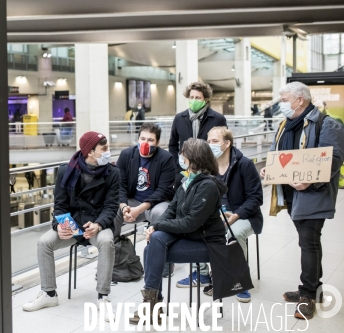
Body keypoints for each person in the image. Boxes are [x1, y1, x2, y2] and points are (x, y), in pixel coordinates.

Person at [260, 81, 344, 320]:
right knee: (307, 241)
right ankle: (313, 288)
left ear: (300, 100)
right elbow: (281, 155)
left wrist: (310, 181)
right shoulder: (285, 125)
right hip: (290, 193)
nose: (281, 104)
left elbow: (334, 159)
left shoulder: (327, 124)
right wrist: (271, 169)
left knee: (308, 242)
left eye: (284, 99)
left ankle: (308, 294)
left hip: (313, 195)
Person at [129, 138, 227, 325]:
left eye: (183, 153)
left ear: (193, 158)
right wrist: (154, 226)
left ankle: (152, 306)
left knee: (153, 247)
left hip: (207, 244)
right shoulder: (186, 180)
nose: (180, 156)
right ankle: (153, 305)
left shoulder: (208, 186)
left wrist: (157, 226)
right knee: (154, 242)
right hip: (188, 236)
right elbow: (171, 211)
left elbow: (190, 223)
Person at [22, 131, 119, 318]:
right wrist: (60, 225)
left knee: (107, 242)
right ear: (90, 152)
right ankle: (49, 293)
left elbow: (111, 207)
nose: (108, 152)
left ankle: (103, 296)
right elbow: (60, 205)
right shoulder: (66, 171)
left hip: (96, 225)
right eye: (104, 149)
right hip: (72, 225)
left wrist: (98, 225)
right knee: (44, 242)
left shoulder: (112, 173)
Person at [193, 127, 264, 303]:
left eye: (215, 141)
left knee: (234, 233)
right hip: (216, 215)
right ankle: (206, 275)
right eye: (208, 141)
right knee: (195, 226)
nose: (210, 145)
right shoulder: (207, 167)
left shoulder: (245, 164)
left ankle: (239, 281)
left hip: (244, 215)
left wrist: (237, 215)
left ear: (227, 143)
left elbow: (256, 198)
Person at [114, 122, 176, 276]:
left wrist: (139, 209)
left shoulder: (166, 158)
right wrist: (123, 207)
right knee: (112, 211)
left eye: (150, 140)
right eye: (142, 139)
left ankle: (163, 263)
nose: (145, 143)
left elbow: (163, 190)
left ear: (158, 142)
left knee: (160, 213)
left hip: (157, 203)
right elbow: (120, 185)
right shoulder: (126, 155)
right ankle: (115, 261)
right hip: (132, 201)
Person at [169, 81, 227, 190]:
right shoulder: (179, 118)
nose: (193, 100)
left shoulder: (217, 119)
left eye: (197, 98)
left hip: (209, 171)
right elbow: (173, 144)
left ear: (206, 100)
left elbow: (224, 145)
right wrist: (177, 166)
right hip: (184, 170)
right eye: (191, 97)